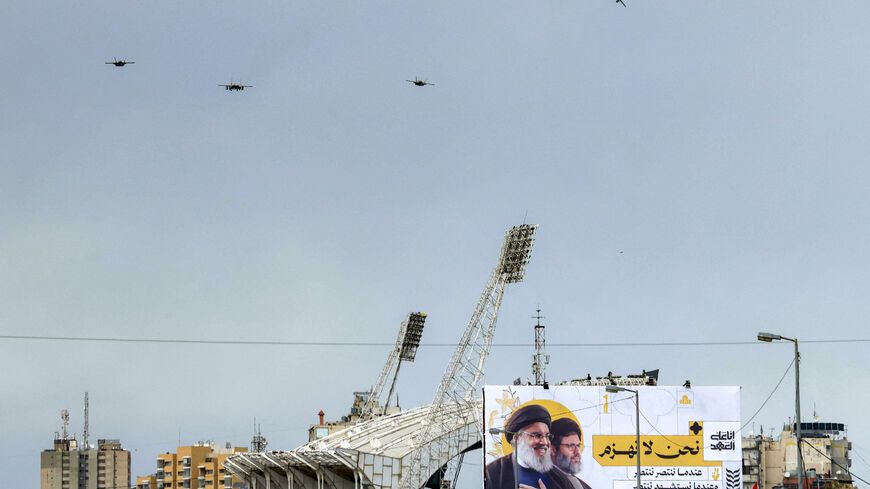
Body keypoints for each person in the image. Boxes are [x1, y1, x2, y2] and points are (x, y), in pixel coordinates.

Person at [486, 404, 575, 489]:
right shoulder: (491, 474)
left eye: (547, 436)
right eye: (537, 435)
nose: (545, 442)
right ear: (517, 438)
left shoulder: (560, 480)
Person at [549, 418, 592, 489]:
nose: (577, 452)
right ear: (553, 450)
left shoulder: (585, 486)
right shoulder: (544, 480)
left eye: (578, 446)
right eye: (571, 446)